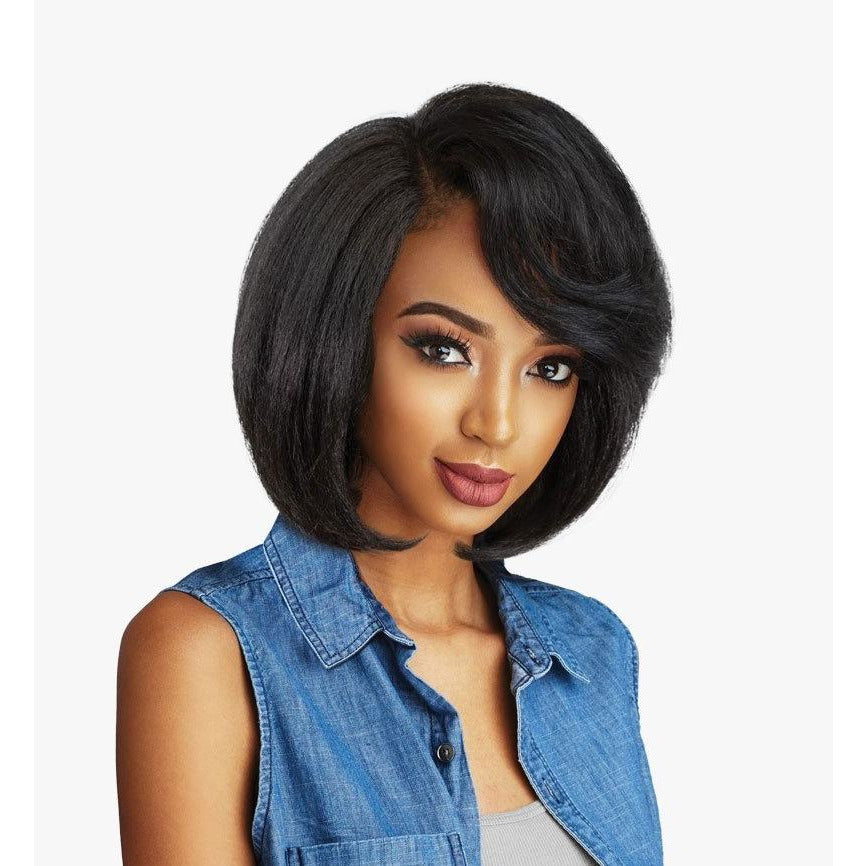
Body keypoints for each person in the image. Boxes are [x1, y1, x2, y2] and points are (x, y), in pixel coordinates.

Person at [116, 82, 672, 866]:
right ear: (337, 337)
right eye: (444, 349)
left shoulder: (592, 653)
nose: (497, 423)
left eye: (549, 367)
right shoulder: (209, 653)